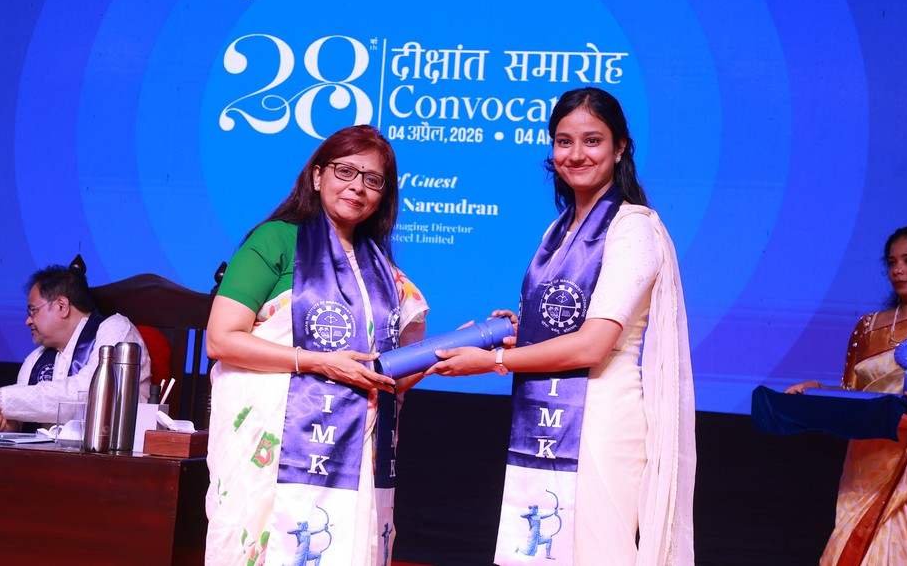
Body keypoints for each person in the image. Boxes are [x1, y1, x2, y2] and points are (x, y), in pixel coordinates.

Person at [427, 87, 695, 565]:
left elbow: (592, 345)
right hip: (552, 413)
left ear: (620, 147)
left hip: (601, 418)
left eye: (592, 140)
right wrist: (520, 331)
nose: (575, 154)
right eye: (563, 141)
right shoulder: (560, 229)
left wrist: (494, 361)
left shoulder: (633, 226)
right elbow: (565, 326)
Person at [204, 125, 428, 566]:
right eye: (346, 171)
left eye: (373, 179)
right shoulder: (275, 240)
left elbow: (387, 374)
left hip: (354, 448)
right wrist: (318, 362)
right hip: (274, 444)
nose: (358, 187)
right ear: (317, 175)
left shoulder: (383, 271)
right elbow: (221, 339)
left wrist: (463, 347)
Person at [786, 223, 907, 565]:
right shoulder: (869, 327)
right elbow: (854, 394)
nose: (897, 270)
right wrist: (817, 391)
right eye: (892, 262)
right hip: (868, 464)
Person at [0, 264, 150, 431]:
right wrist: (1, 423)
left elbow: (91, 393)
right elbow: (17, 423)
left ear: (62, 306)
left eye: (33, 311)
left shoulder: (115, 329)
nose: (28, 321)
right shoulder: (36, 359)